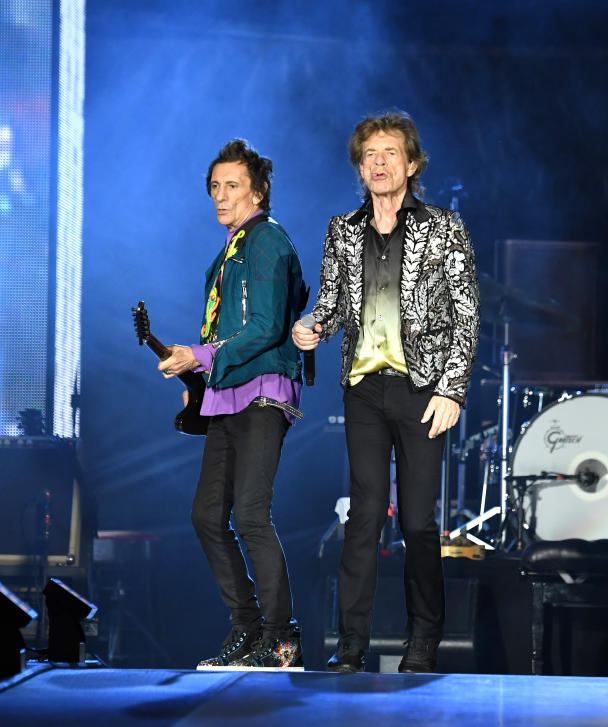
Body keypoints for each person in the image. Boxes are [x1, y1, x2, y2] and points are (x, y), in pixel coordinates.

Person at [293, 110, 480, 674]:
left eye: (390, 152)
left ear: (412, 163)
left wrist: (451, 391)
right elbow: (332, 302)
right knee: (364, 515)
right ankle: (351, 645)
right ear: (359, 166)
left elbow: (467, 316)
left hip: (424, 391)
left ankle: (423, 640)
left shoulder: (445, 227)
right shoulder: (342, 229)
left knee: (418, 521)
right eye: (369, 154)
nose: (378, 162)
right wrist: (314, 327)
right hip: (364, 390)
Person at [159, 139, 306, 670]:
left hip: (264, 391)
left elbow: (267, 327)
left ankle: (280, 635)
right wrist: (197, 375)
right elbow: (229, 331)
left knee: (249, 514)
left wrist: (198, 355)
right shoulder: (229, 251)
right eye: (215, 187)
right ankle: (246, 626)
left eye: (233, 186)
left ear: (258, 191)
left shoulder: (266, 240)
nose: (222, 195)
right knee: (205, 515)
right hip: (225, 397)